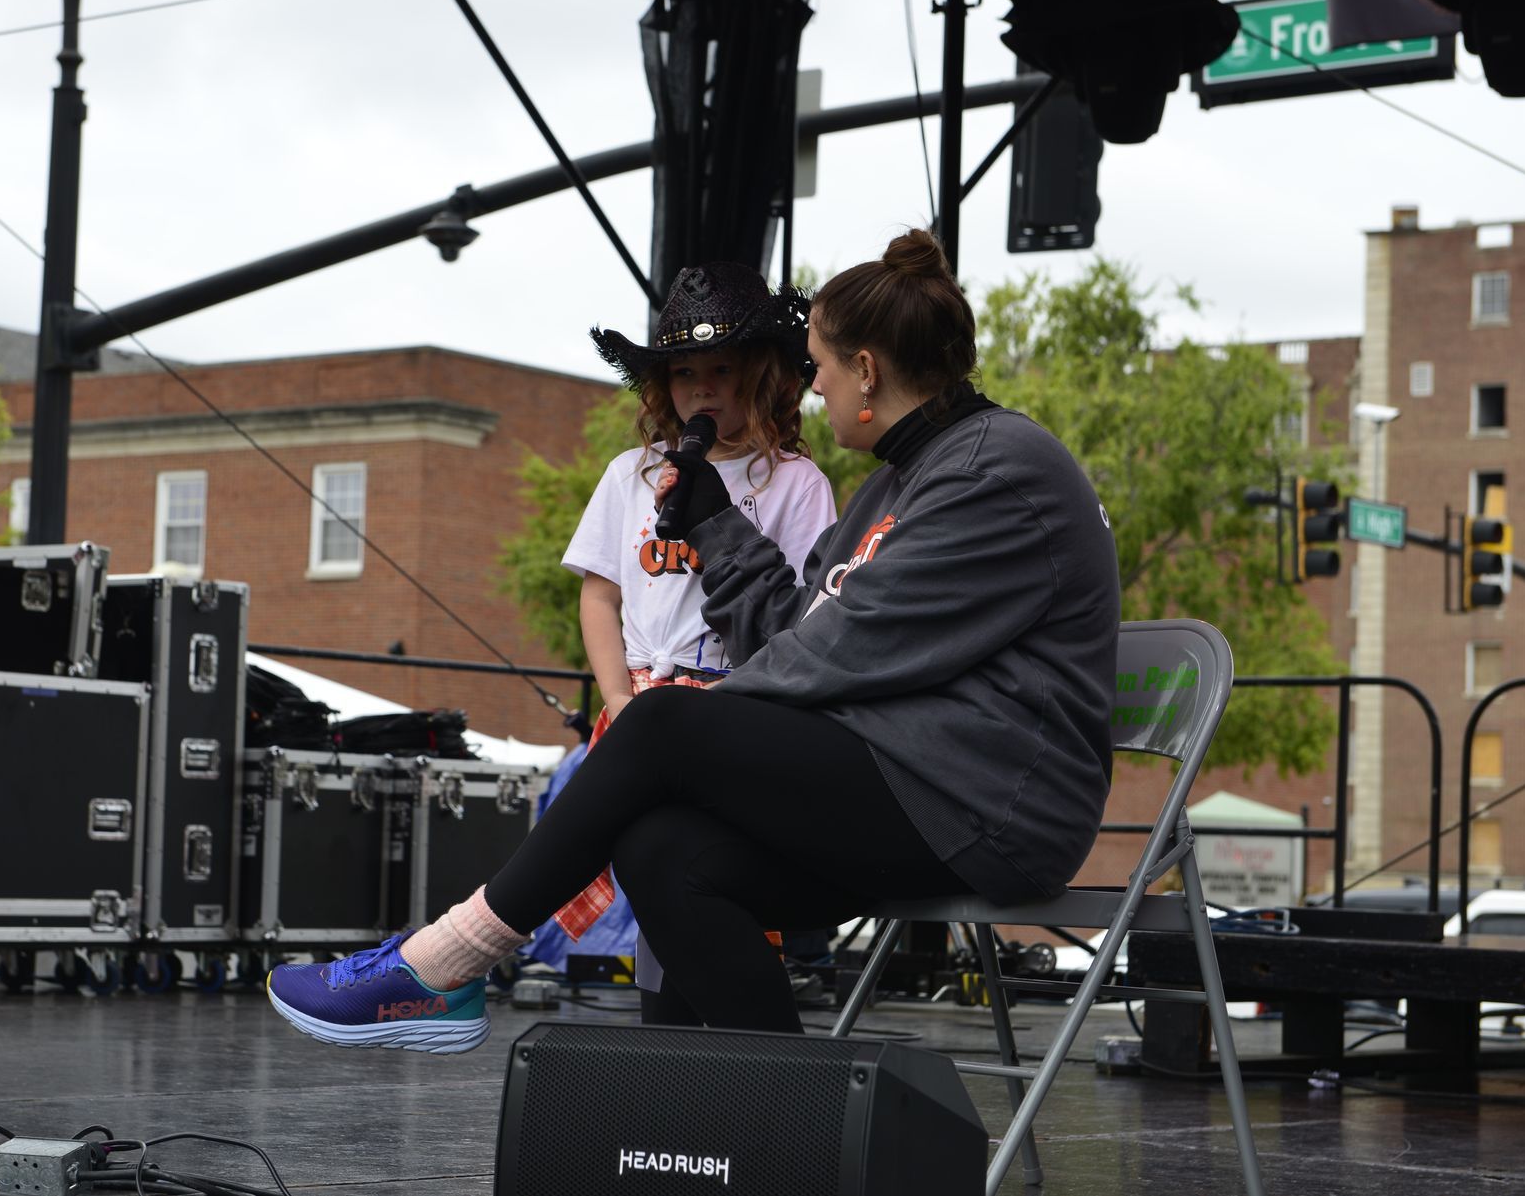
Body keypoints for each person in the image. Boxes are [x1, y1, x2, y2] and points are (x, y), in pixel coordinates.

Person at [266, 228, 1121, 1052]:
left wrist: (674, 732)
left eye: (818, 368)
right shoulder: (902, 481)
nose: (814, 390)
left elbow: (835, 655)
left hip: (991, 807)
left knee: (663, 724)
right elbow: (791, 635)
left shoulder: (995, 470)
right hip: (918, 781)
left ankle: (444, 963)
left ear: (866, 369)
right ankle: (791, 1126)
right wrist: (714, 523)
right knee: (662, 850)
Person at [554, 262, 836, 1024]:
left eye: (722, 370)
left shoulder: (794, 483)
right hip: (646, 698)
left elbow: (804, 613)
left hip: (734, 704)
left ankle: (727, 1040)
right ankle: (668, 1039)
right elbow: (600, 592)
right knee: (648, 860)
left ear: (761, 377)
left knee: (697, 864)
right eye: (685, 373)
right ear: (660, 387)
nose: (703, 389)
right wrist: (618, 696)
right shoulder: (629, 475)